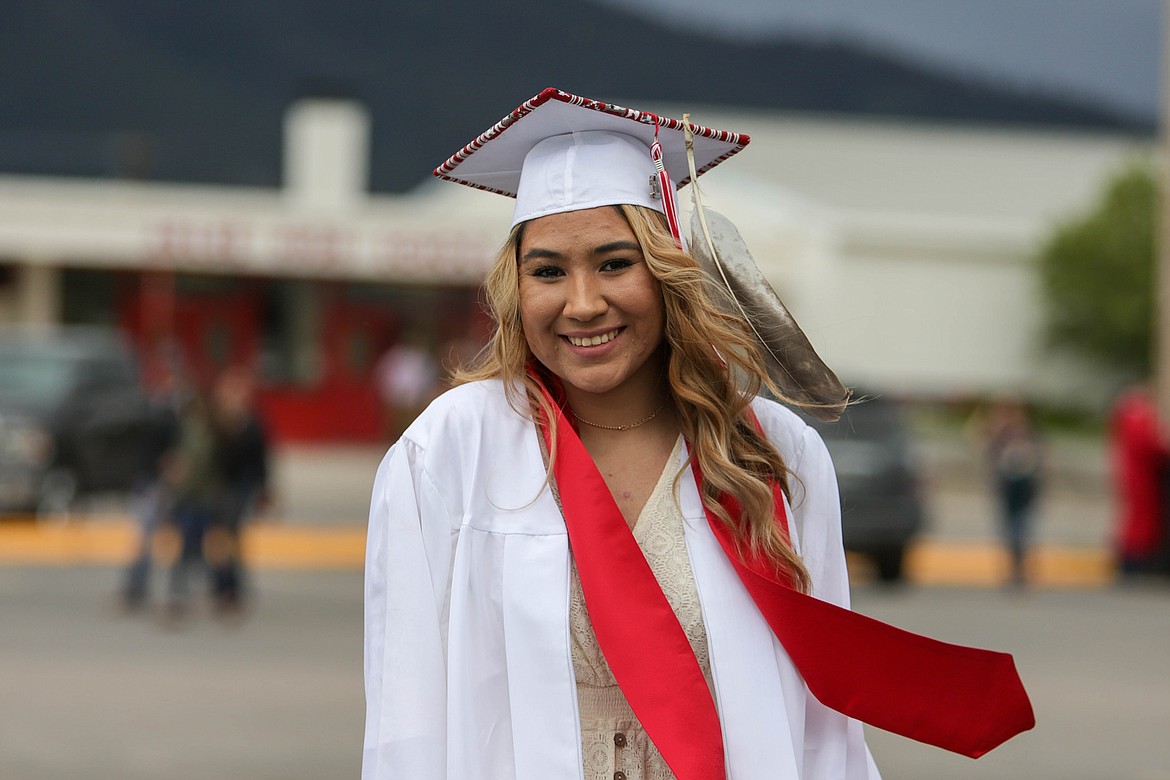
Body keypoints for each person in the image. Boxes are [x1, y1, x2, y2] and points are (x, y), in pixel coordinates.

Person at [363, 89, 1033, 780]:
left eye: (615, 262)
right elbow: (404, 718)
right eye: (548, 271)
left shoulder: (772, 454)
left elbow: (822, 726)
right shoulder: (452, 450)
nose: (583, 301)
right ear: (516, 288)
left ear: (668, 273)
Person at [979, 397, 1045, 587]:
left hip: (1024, 486)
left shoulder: (1028, 432)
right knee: (1008, 528)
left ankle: (1023, 569)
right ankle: (1013, 569)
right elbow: (980, 445)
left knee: (1022, 526)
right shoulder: (999, 432)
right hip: (1006, 486)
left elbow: (1040, 458)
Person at [1110, 384, 1169, 576]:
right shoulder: (1137, 414)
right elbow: (1148, 444)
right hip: (1141, 475)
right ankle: (1132, 564)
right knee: (1141, 519)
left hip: (1136, 473)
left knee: (1138, 518)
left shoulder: (1129, 414)